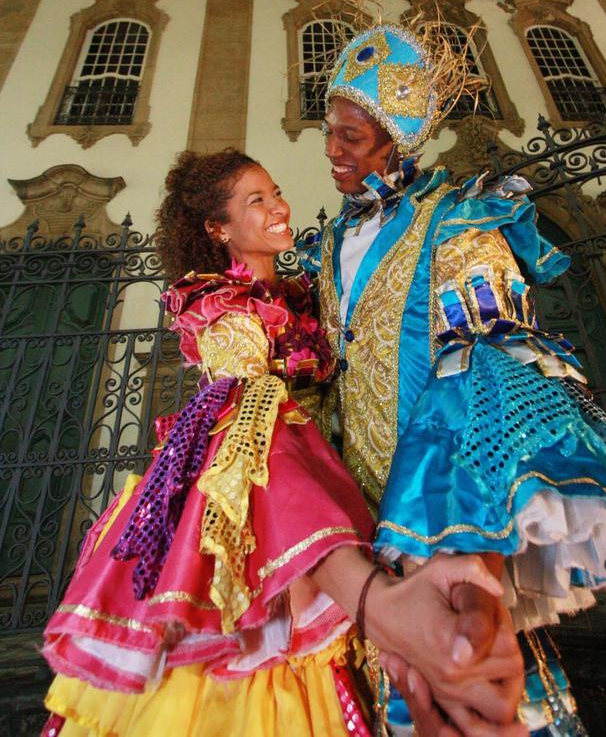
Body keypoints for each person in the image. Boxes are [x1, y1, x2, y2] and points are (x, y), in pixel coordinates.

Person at [299, 19, 606, 734]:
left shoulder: (460, 220)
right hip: (350, 536)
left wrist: (456, 549)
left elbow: (489, 373)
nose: (331, 150)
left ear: (399, 142)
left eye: (352, 137)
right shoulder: (323, 244)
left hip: (445, 524)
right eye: (328, 130)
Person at [40, 149, 526, 737]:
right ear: (216, 230)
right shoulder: (227, 314)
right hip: (272, 519)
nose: (279, 207)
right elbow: (255, 434)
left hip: (345, 494)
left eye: (274, 192)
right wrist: (367, 592)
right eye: (257, 200)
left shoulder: (300, 293)